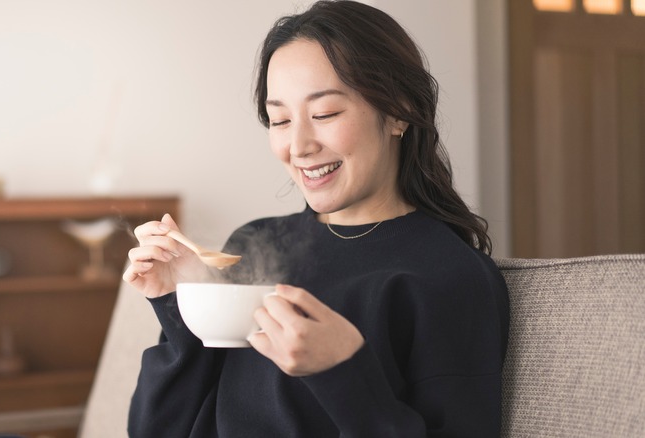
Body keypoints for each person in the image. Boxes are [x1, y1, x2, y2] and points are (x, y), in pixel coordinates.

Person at [122, 1, 510, 436]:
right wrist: (178, 305)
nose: (299, 145)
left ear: (399, 109)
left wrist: (342, 370)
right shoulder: (252, 246)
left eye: (324, 114)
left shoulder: (447, 275)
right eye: (280, 120)